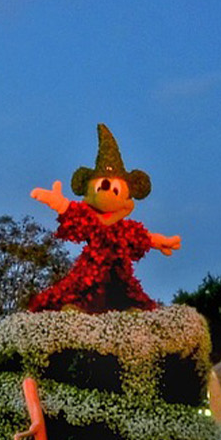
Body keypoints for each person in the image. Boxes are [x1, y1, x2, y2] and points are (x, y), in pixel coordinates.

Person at [27, 123, 181, 313]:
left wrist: (161, 242)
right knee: (78, 289)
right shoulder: (90, 223)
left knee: (129, 294)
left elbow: (142, 236)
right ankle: (74, 312)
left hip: (119, 276)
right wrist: (58, 203)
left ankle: (132, 314)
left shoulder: (123, 231)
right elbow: (74, 215)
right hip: (90, 272)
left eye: (116, 191)